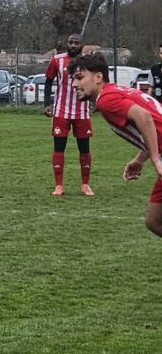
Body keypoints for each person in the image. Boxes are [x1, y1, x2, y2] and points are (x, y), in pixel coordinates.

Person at [70, 52, 162, 238]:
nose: (74, 84)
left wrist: (155, 159)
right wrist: (140, 160)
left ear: (98, 77)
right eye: (73, 79)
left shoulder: (106, 100)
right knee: (154, 221)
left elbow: (143, 117)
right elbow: (152, 123)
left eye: (80, 77)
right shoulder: (115, 91)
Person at [44, 33, 94, 196]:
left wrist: (95, 99)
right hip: (61, 111)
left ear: (82, 45)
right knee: (59, 147)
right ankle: (59, 185)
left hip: (82, 110)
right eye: (70, 42)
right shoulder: (56, 60)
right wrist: (47, 104)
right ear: (67, 44)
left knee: (84, 149)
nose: (73, 45)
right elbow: (48, 81)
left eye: (76, 43)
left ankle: (85, 184)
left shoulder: (88, 61)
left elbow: (96, 82)